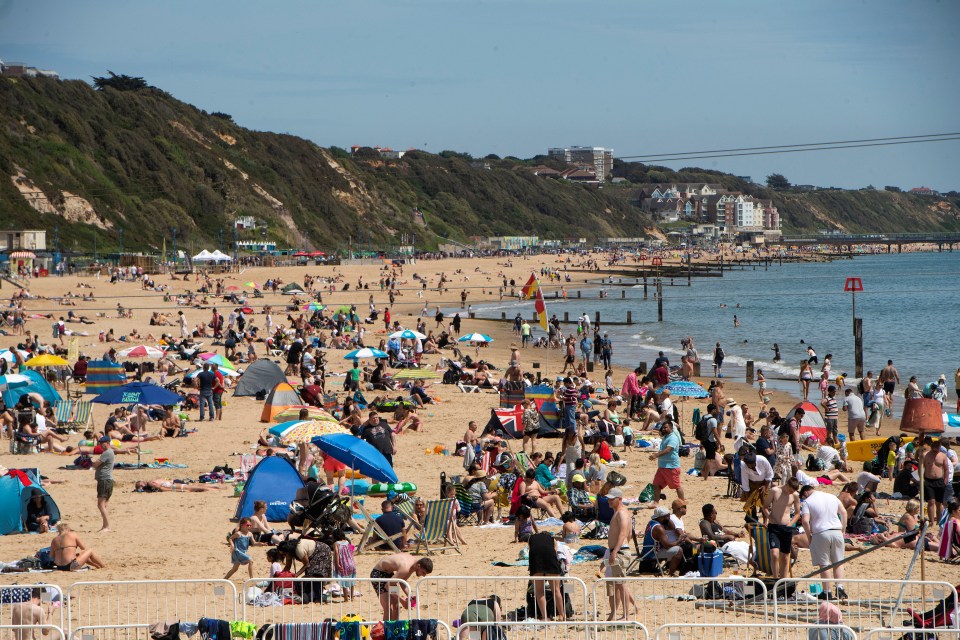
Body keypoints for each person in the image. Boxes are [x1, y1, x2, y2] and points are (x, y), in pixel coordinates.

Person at [799, 484, 848, 600]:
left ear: (805, 493)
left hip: (820, 533)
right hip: (836, 530)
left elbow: (805, 521)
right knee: (838, 562)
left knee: (824, 564)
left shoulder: (807, 502)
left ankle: (827, 591)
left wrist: (809, 535)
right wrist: (843, 530)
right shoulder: (832, 496)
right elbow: (844, 513)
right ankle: (840, 588)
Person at [603, 488, 638, 621]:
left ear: (620, 499)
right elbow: (628, 534)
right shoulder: (618, 513)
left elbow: (624, 533)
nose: (609, 501)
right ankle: (622, 613)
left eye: (612, 498)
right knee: (618, 583)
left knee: (621, 584)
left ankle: (626, 615)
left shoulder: (622, 513)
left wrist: (616, 550)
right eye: (609, 498)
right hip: (618, 550)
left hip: (619, 551)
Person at [369, 553, 433, 621]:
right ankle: (386, 631)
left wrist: (410, 596)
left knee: (396, 607)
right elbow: (388, 586)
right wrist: (403, 602)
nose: (423, 576)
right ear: (418, 566)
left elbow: (402, 582)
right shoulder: (406, 568)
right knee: (388, 607)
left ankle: (394, 630)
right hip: (378, 574)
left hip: (388, 573)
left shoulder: (413, 565)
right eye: (423, 572)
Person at [764, 478, 801, 579]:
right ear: (787, 485)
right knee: (774, 554)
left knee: (785, 557)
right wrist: (770, 518)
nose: (791, 492)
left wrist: (791, 523)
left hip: (786, 527)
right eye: (790, 490)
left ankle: (783, 580)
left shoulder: (795, 495)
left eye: (793, 491)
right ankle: (775, 578)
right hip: (774, 526)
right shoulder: (775, 491)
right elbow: (765, 507)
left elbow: (798, 513)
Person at [528, 531, 566, 621]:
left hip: (536, 560)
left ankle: (545, 617)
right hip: (550, 559)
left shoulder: (531, 538)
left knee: (539, 590)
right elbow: (555, 552)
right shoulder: (553, 539)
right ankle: (561, 615)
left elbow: (531, 550)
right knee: (556, 590)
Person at [650, 420, 683, 506]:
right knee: (656, 484)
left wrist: (656, 455)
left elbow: (668, 449)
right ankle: (656, 502)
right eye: (663, 428)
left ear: (671, 428)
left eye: (665, 428)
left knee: (677, 486)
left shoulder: (673, 438)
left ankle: (682, 503)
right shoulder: (665, 437)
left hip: (671, 467)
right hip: (662, 466)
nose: (663, 429)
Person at [921, 436, 950, 526]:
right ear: (932, 446)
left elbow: (946, 469)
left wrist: (945, 481)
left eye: (938, 448)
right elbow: (921, 467)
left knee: (939, 503)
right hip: (928, 480)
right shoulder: (925, 455)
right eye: (935, 448)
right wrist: (921, 479)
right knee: (931, 501)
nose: (936, 450)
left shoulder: (943, 456)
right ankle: (931, 521)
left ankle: (939, 520)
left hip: (939, 480)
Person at [93, 435, 115, 532]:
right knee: (104, 504)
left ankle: (107, 526)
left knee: (101, 504)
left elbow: (96, 464)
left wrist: (89, 462)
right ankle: (105, 525)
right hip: (105, 480)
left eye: (102, 443)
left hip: (105, 480)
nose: (101, 445)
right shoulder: (108, 452)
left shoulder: (107, 453)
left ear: (107, 443)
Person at [700, 404, 723, 480]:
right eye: (715, 409)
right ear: (713, 410)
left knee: (708, 457)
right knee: (709, 458)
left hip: (704, 440)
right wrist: (720, 443)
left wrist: (701, 442)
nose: (716, 411)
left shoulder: (703, 417)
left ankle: (703, 471)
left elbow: (702, 431)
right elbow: (715, 433)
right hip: (710, 441)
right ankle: (705, 476)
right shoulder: (713, 420)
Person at [134, 479, 224, 493]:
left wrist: (171, 490)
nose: (141, 487)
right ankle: (216, 486)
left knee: (193, 488)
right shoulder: (151, 482)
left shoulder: (151, 483)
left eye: (140, 485)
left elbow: (161, 487)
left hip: (173, 485)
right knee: (194, 485)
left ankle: (214, 489)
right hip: (174, 481)